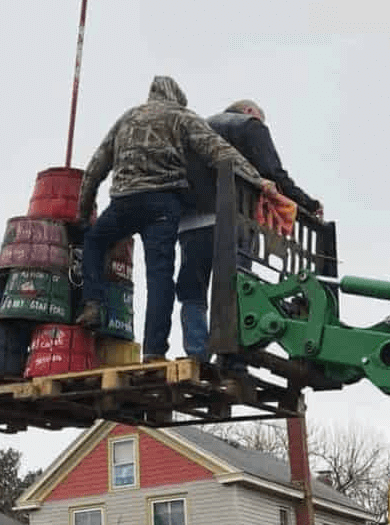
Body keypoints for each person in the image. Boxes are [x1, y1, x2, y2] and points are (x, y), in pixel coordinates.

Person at [74, 75, 276, 362]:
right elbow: (220, 152)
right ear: (176, 98)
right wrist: (258, 180)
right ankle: (154, 351)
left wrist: (83, 215)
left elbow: (96, 167)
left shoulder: (127, 119)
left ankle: (93, 302)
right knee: (160, 277)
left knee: (94, 241)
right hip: (163, 204)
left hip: (124, 201)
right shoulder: (182, 116)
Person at [176, 99, 323, 366]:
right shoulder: (249, 125)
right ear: (249, 111)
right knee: (237, 287)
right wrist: (308, 204)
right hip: (234, 219)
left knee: (192, 291)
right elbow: (272, 173)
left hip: (189, 223)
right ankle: (232, 358)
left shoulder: (194, 129)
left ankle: (197, 354)